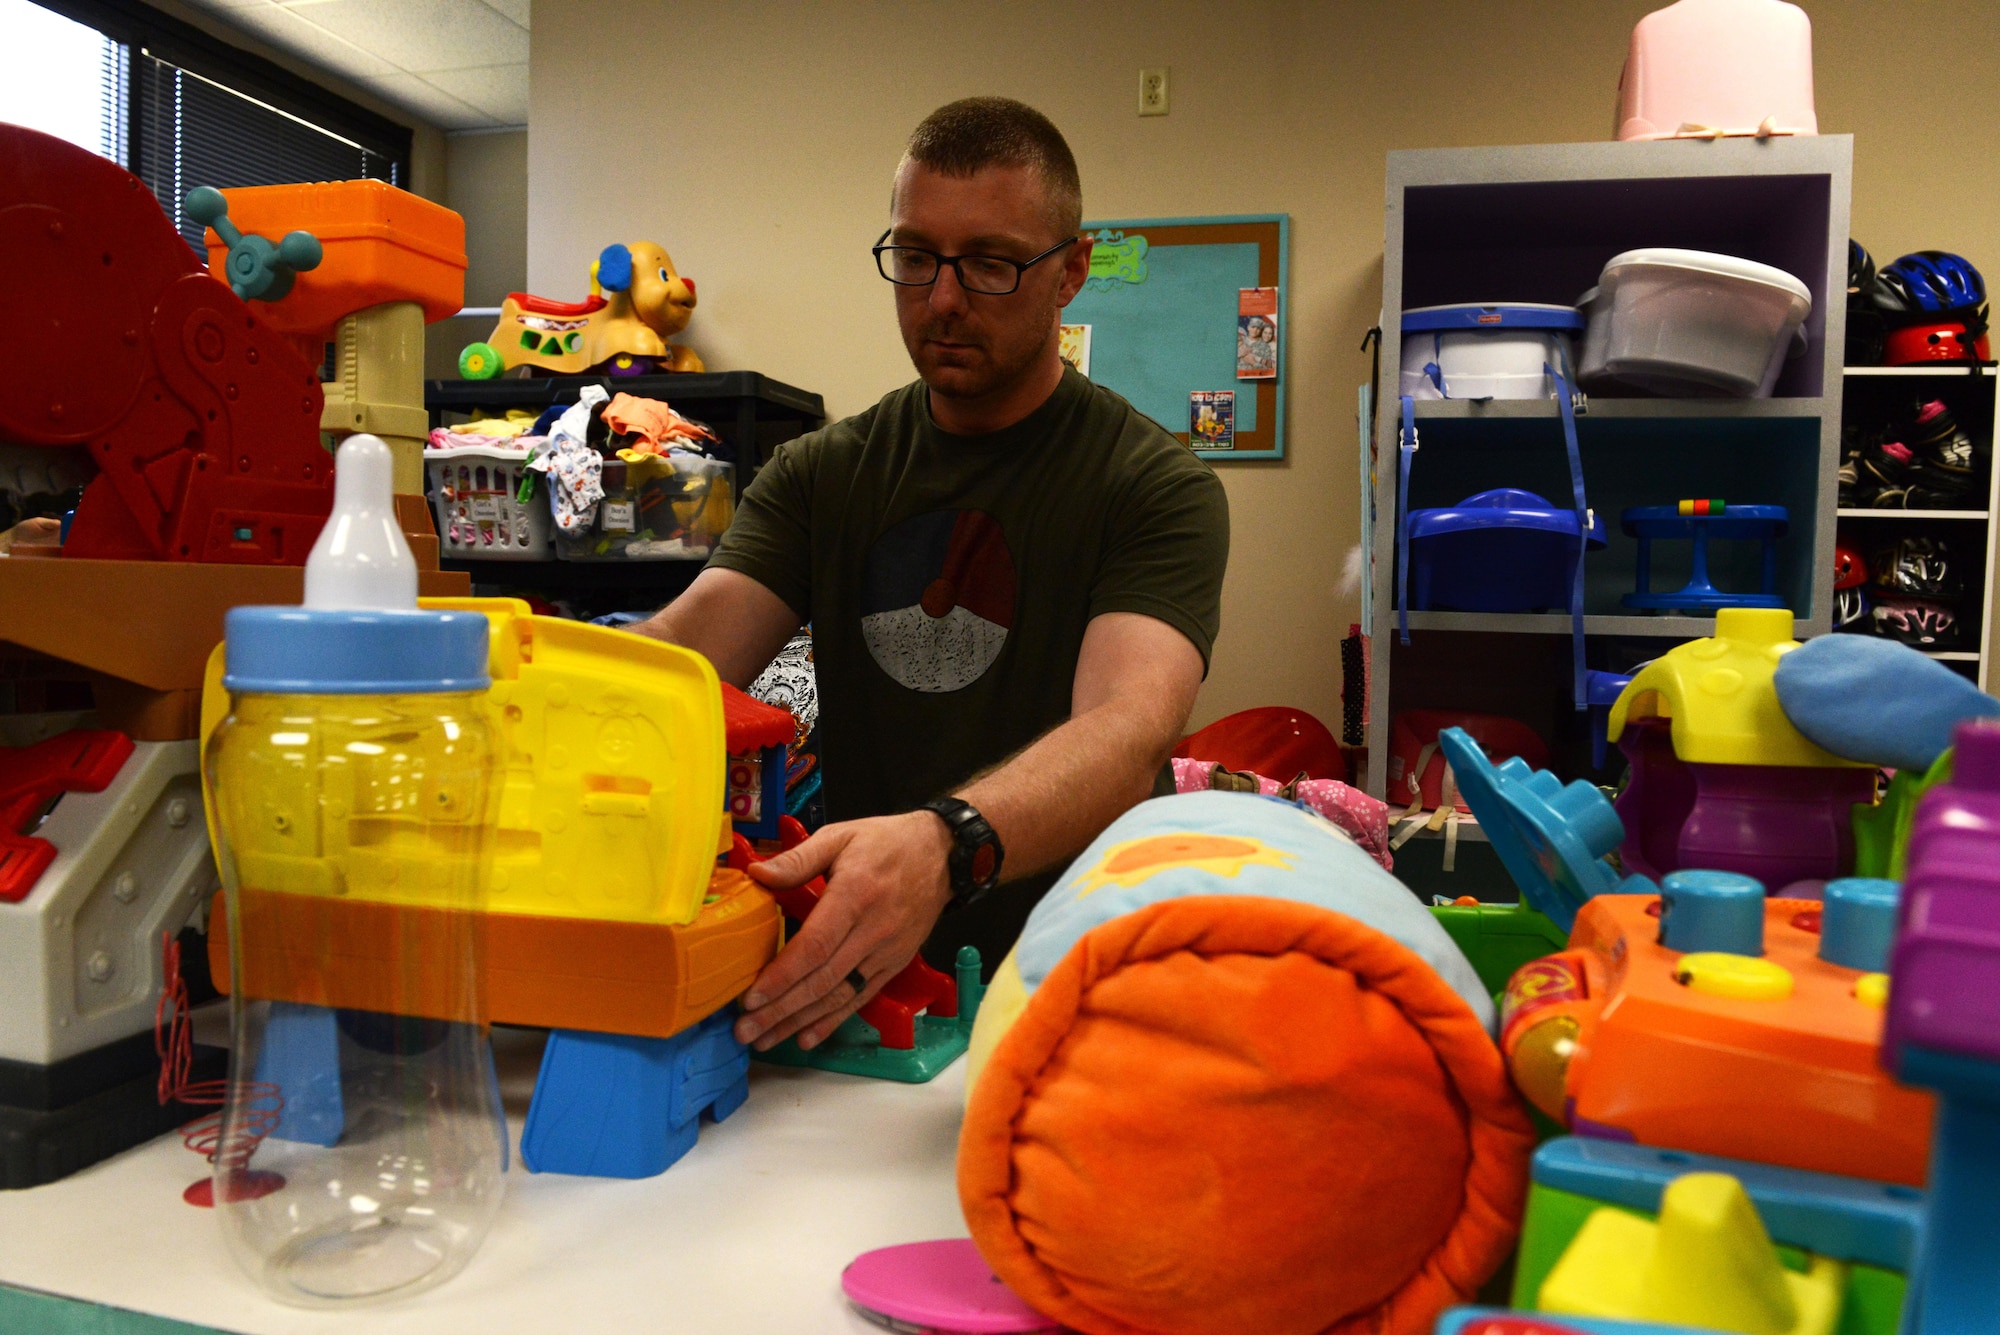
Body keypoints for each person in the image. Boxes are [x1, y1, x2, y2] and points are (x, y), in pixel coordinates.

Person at [631, 97, 1229, 1056]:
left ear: (1071, 270)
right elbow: (679, 658)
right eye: (915, 257)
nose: (943, 298)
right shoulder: (822, 473)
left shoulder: (1153, 485)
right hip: (862, 989)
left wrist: (949, 842)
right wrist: (518, 671)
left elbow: (1126, 729)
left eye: (990, 262)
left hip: (1079, 990)